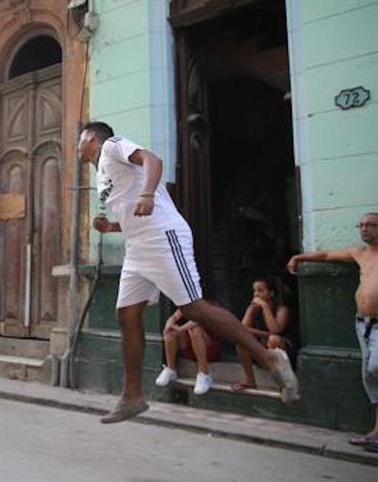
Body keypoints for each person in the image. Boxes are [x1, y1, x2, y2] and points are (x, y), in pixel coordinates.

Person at [78, 121, 298, 423]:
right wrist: (111, 226)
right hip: (137, 246)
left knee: (194, 308)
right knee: (126, 315)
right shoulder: (102, 171)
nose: (78, 147)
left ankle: (269, 360)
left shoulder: (112, 146)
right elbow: (132, 216)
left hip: (163, 236)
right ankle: (132, 397)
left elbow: (153, 160)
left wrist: (147, 194)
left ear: (91, 137)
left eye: (80, 140)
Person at [287, 212, 378, 453]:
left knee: (375, 369)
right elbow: (327, 255)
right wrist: (300, 256)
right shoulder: (361, 253)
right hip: (363, 325)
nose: (365, 229)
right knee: (370, 377)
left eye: (371, 225)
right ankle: (376, 433)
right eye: (361, 225)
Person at [232, 277, 293, 392]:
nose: (256, 295)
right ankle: (250, 380)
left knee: (274, 339)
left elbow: (275, 330)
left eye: (260, 291)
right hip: (263, 351)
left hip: (282, 351)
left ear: (271, 293)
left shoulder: (282, 309)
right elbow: (241, 330)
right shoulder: (254, 309)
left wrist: (265, 307)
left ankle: (282, 383)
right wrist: (250, 310)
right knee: (241, 342)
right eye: (254, 291)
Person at [155, 306, 222, 395]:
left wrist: (180, 329)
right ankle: (171, 369)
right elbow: (174, 317)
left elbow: (197, 320)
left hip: (209, 349)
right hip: (190, 347)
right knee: (170, 332)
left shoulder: (211, 304)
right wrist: (168, 325)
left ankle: (204, 373)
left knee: (195, 330)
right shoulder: (187, 304)